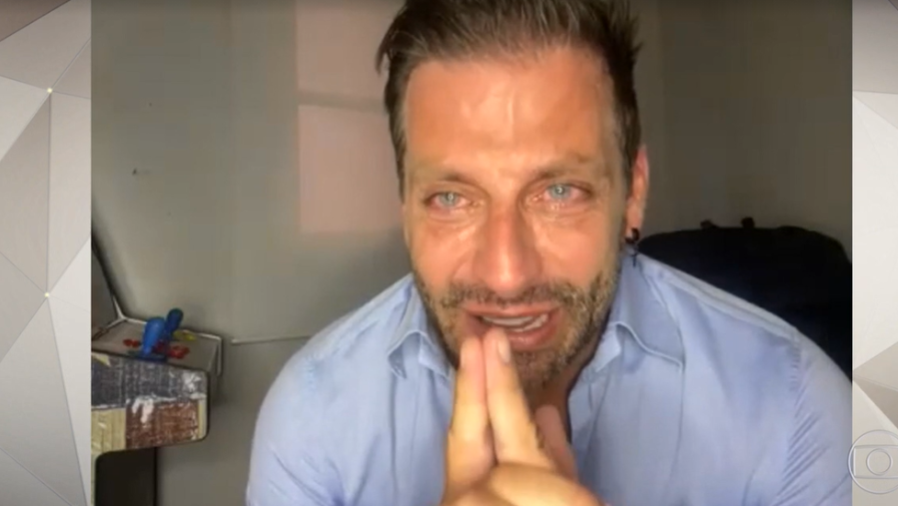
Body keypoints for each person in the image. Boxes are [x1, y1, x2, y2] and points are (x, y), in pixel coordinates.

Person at [247, 0, 851, 504]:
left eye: (560, 192)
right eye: (451, 198)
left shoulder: (797, 412)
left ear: (633, 192)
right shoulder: (312, 422)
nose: (506, 275)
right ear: (404, 206)